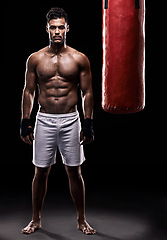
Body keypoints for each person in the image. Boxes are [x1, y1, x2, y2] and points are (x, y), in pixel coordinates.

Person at [20, 7, 96, 235]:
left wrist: (88, 122)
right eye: (53, 27)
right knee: (40, 171)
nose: (57, 31)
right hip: (44, 120)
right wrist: (25, 120)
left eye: (61, 27)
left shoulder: (79, 58)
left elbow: (88, 92)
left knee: (74, 171)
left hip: (71, 120)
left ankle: (82, 220)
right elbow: (29, 91)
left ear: (67, 28)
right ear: (47, 29)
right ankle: (36, 220)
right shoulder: (35, 59)